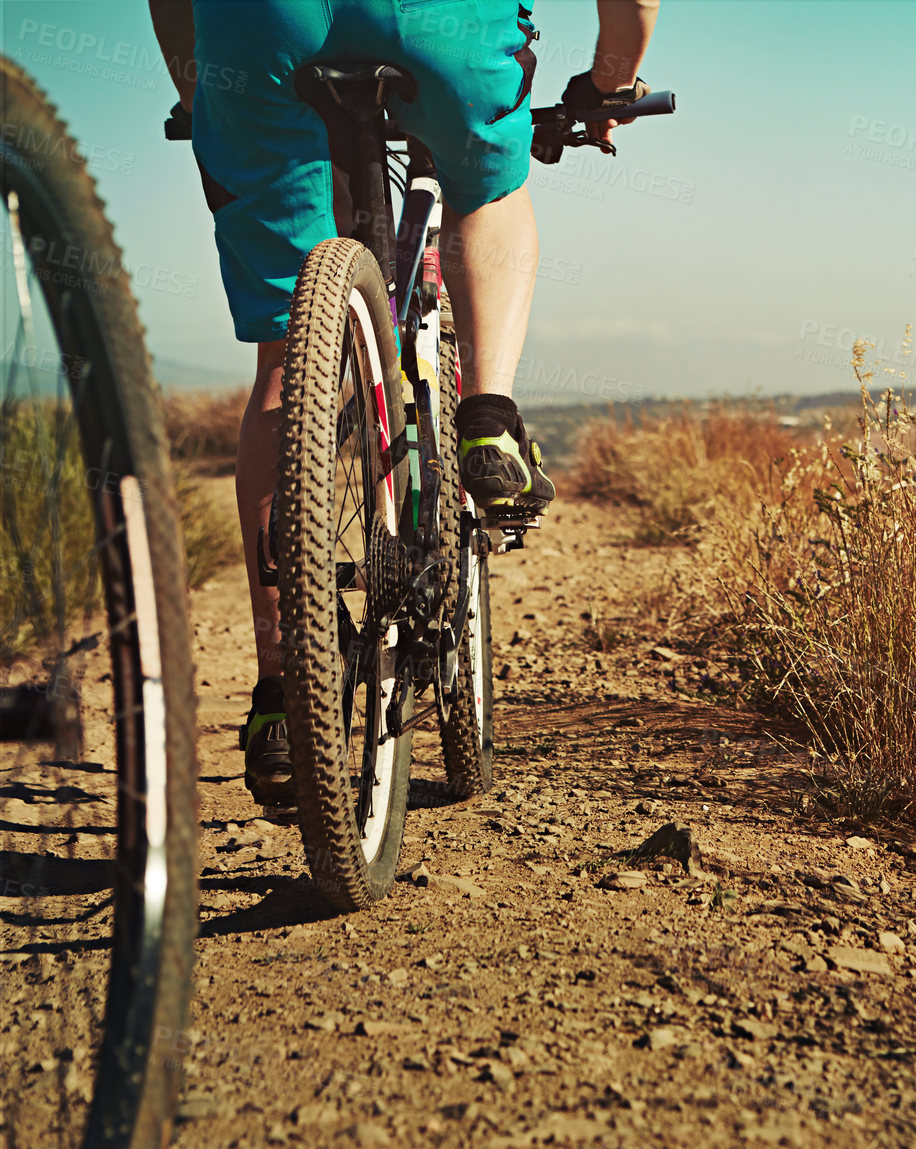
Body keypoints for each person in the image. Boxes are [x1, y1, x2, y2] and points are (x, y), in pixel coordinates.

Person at [148, 0, 659, 816]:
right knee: (492, 187)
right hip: (442, 23)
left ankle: (283, 688)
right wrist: (611, 85)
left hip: (259, 25)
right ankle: (487, 410)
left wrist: (200, 84)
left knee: (285, 360)